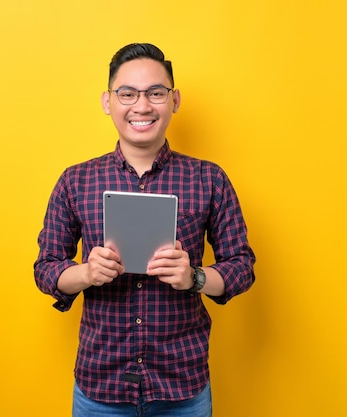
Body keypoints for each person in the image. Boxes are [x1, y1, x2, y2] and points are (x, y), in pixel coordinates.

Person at [34, 43, 256, 417]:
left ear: (174, 100)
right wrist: (86, 273)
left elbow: (241, 266)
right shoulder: (76, 181)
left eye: (156, 93)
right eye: (127, 94)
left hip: (181, 385)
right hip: (100, 385)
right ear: (108, 101)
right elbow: (45, 269)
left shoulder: (209, 178)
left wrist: (195, 278)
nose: (142, 106)